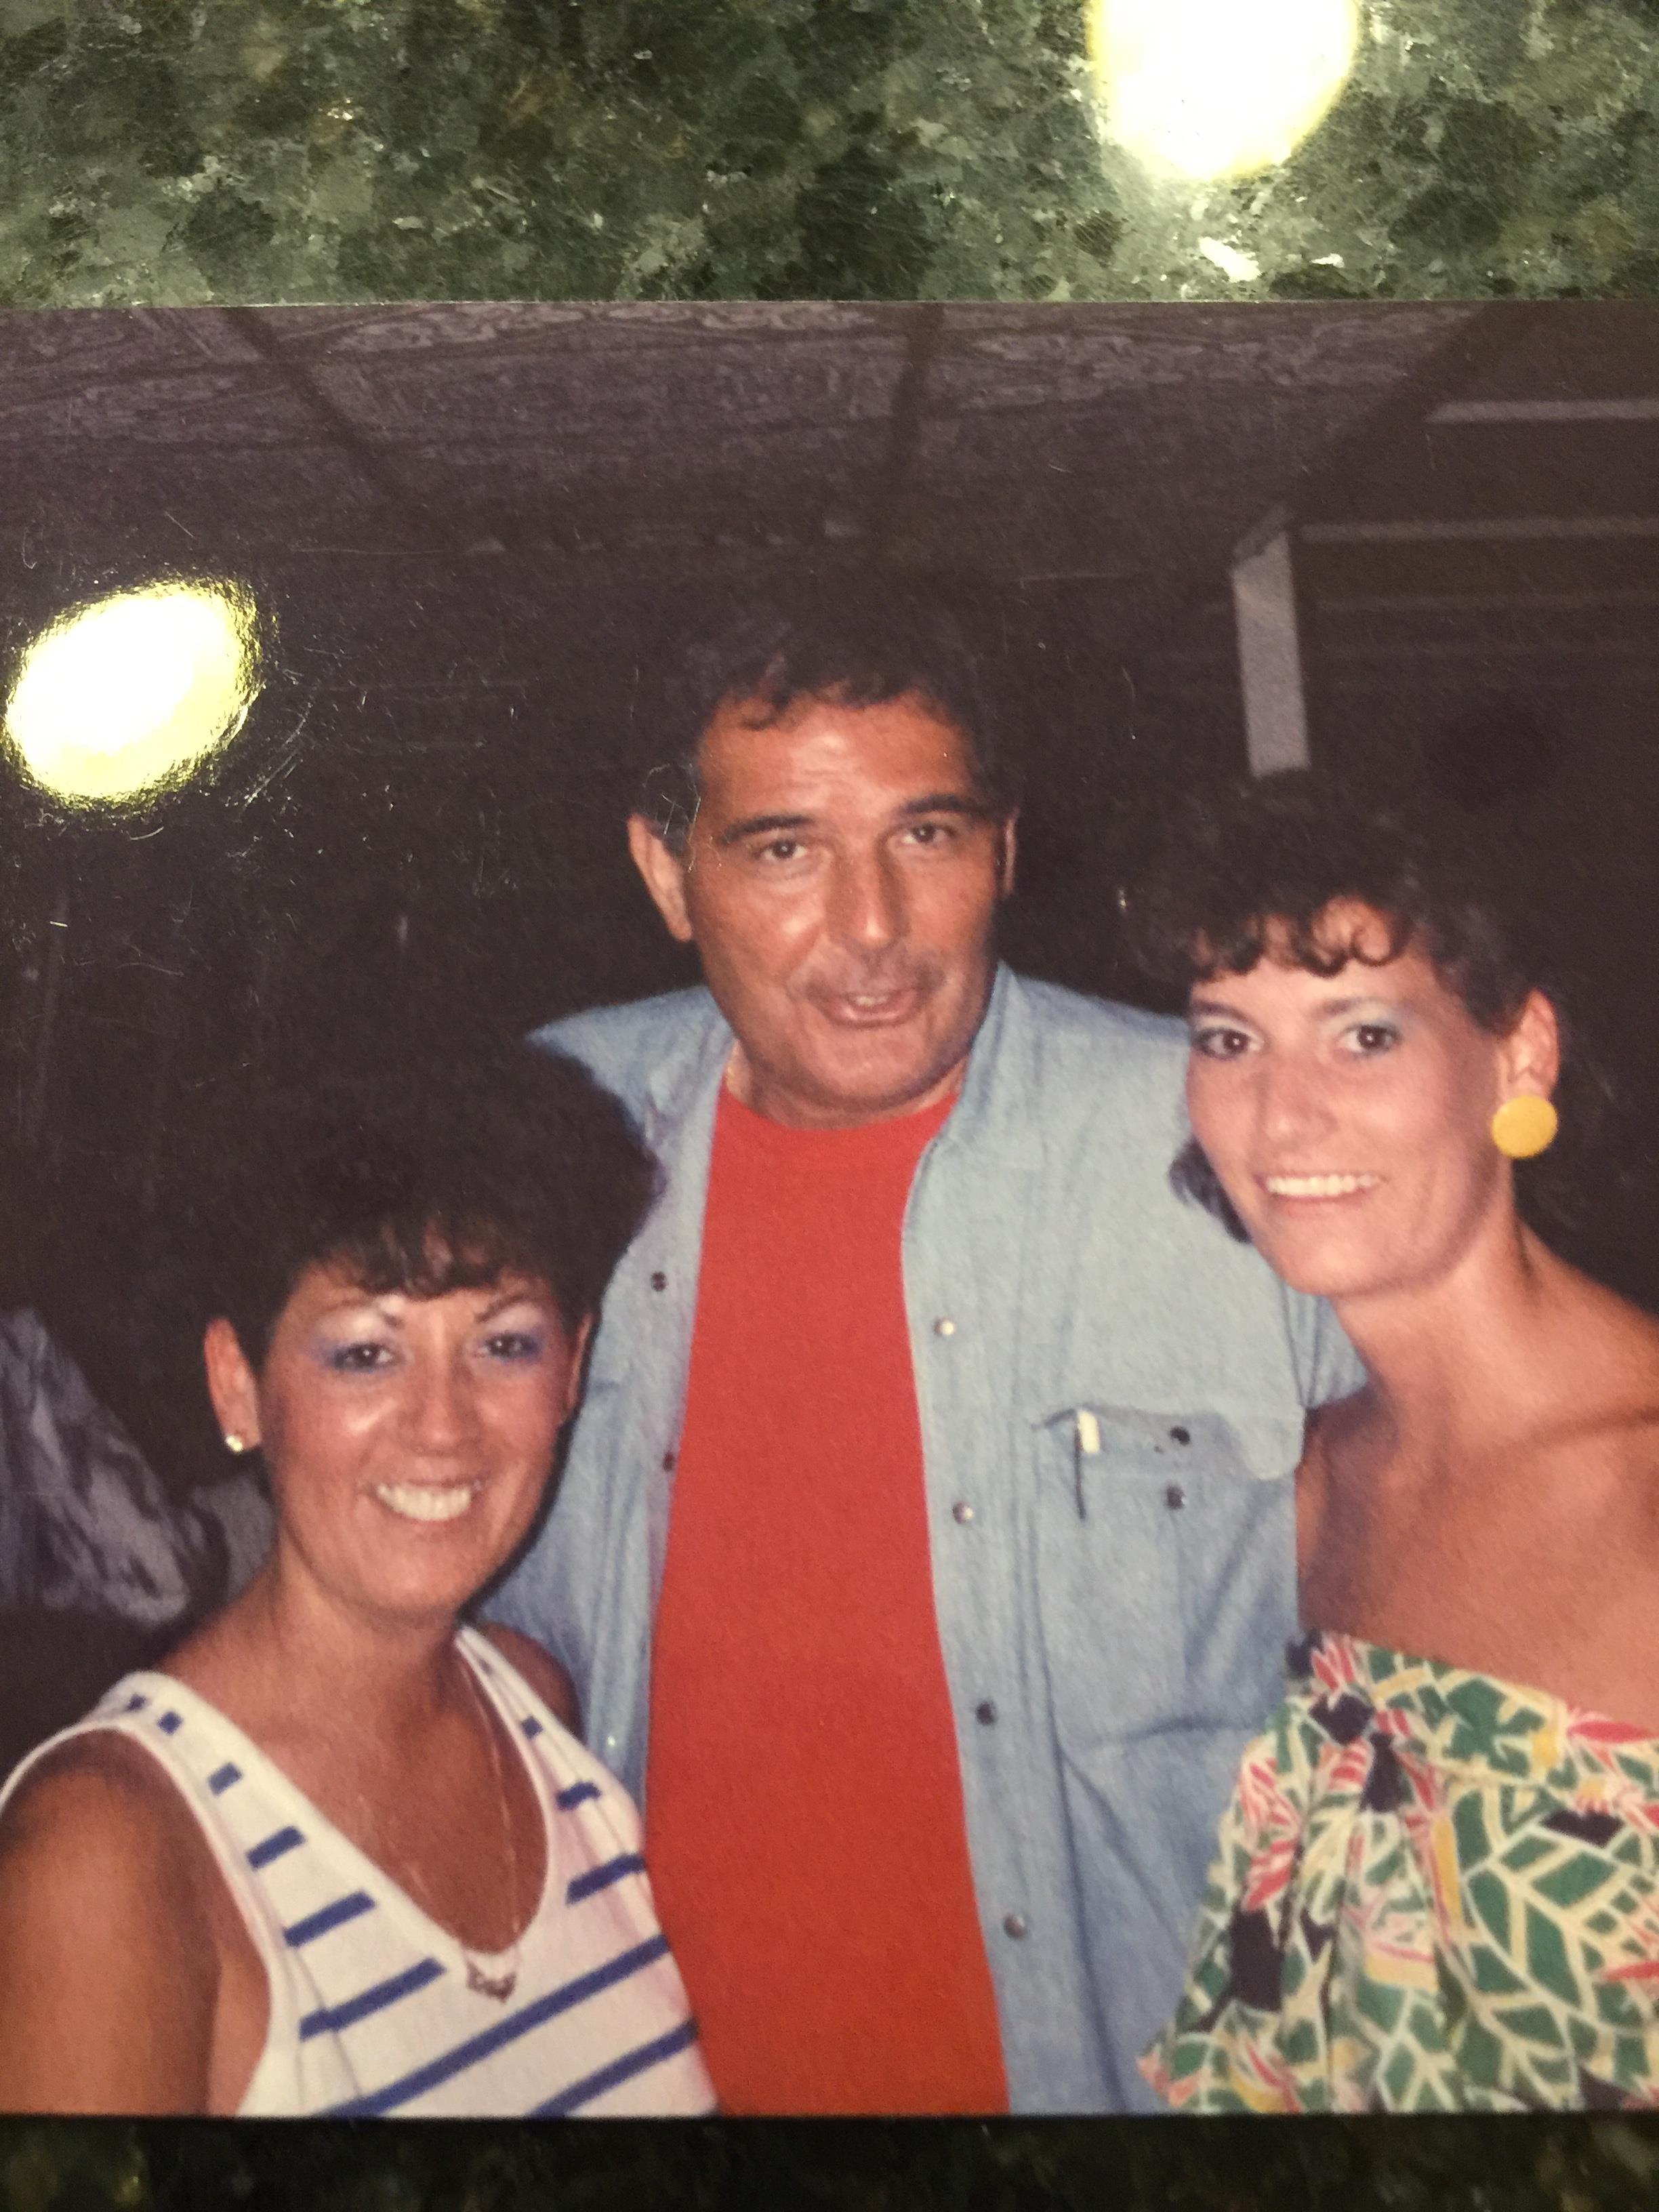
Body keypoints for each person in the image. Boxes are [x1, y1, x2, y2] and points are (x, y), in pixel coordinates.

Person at [491, 581, 1357, 2114]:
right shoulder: (555, 1133)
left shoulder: (1224, 1134)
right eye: (783, 851)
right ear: (667, 870)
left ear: (1005, 847)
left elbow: (1468, 1517)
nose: (872, 929)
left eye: (928, 837)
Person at [0, 1047, 715, 2119]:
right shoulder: (111, 1855)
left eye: (504, 1345)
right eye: (366, 1356)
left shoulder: (538, 1713)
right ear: (238, 1386)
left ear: (573, 1369)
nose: (443, 1425)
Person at [1130, 770, 1659, 2113]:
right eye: (1230, 1039)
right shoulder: (1318, 1480)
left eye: (1362, 1036)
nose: (1282, 1116)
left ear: (1520, 1056)